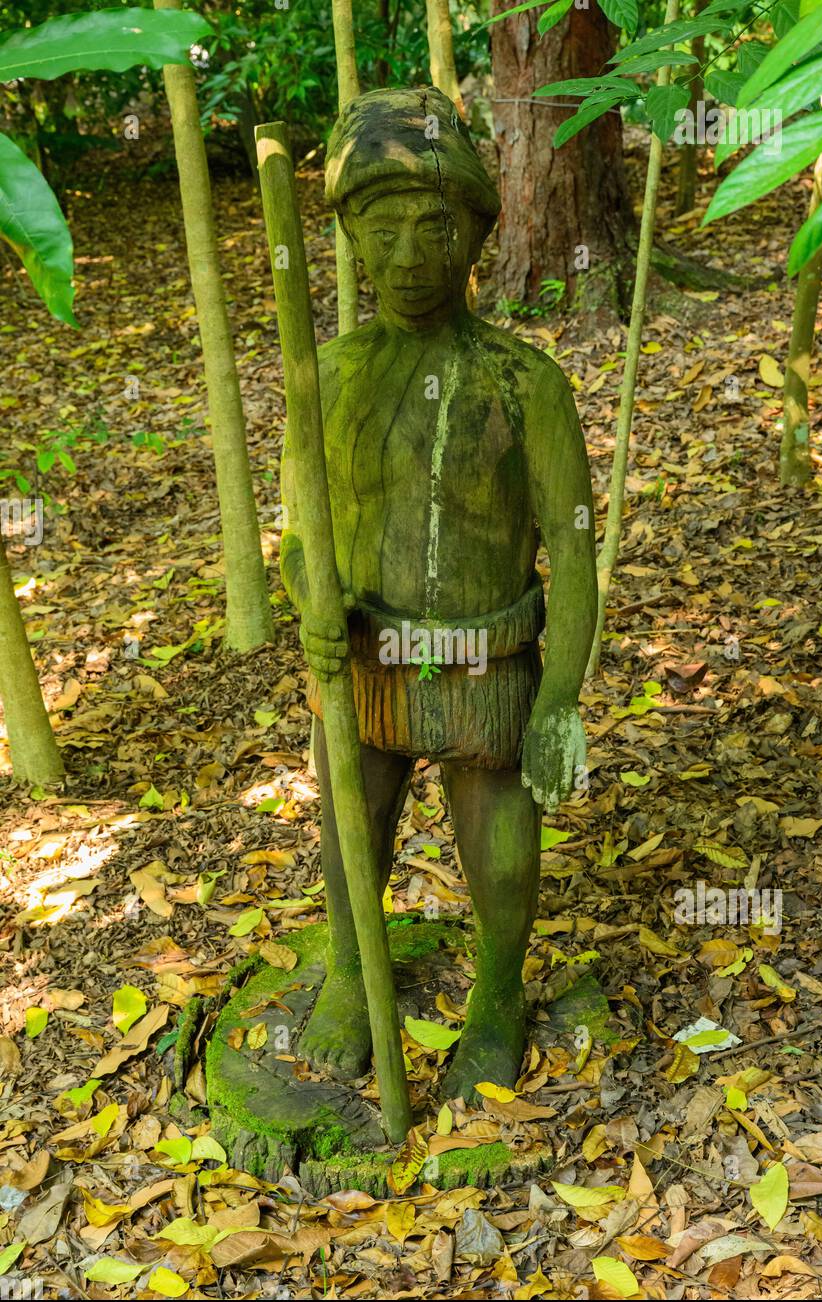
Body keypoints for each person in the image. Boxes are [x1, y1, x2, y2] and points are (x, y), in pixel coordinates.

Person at [280, 87, 597, 1101]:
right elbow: (300, 533)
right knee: (351, 818)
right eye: (382, 225)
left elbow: (574, 548)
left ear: (472, 232)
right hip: (369, 658)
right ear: (349, 239)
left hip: (487, 663)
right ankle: (346, 965)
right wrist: (308, 598)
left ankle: (497, 993)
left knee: (498, 846)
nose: (410, 251)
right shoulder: (322, 378)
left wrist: (557, 698)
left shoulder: (524, 384)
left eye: (434, 223)